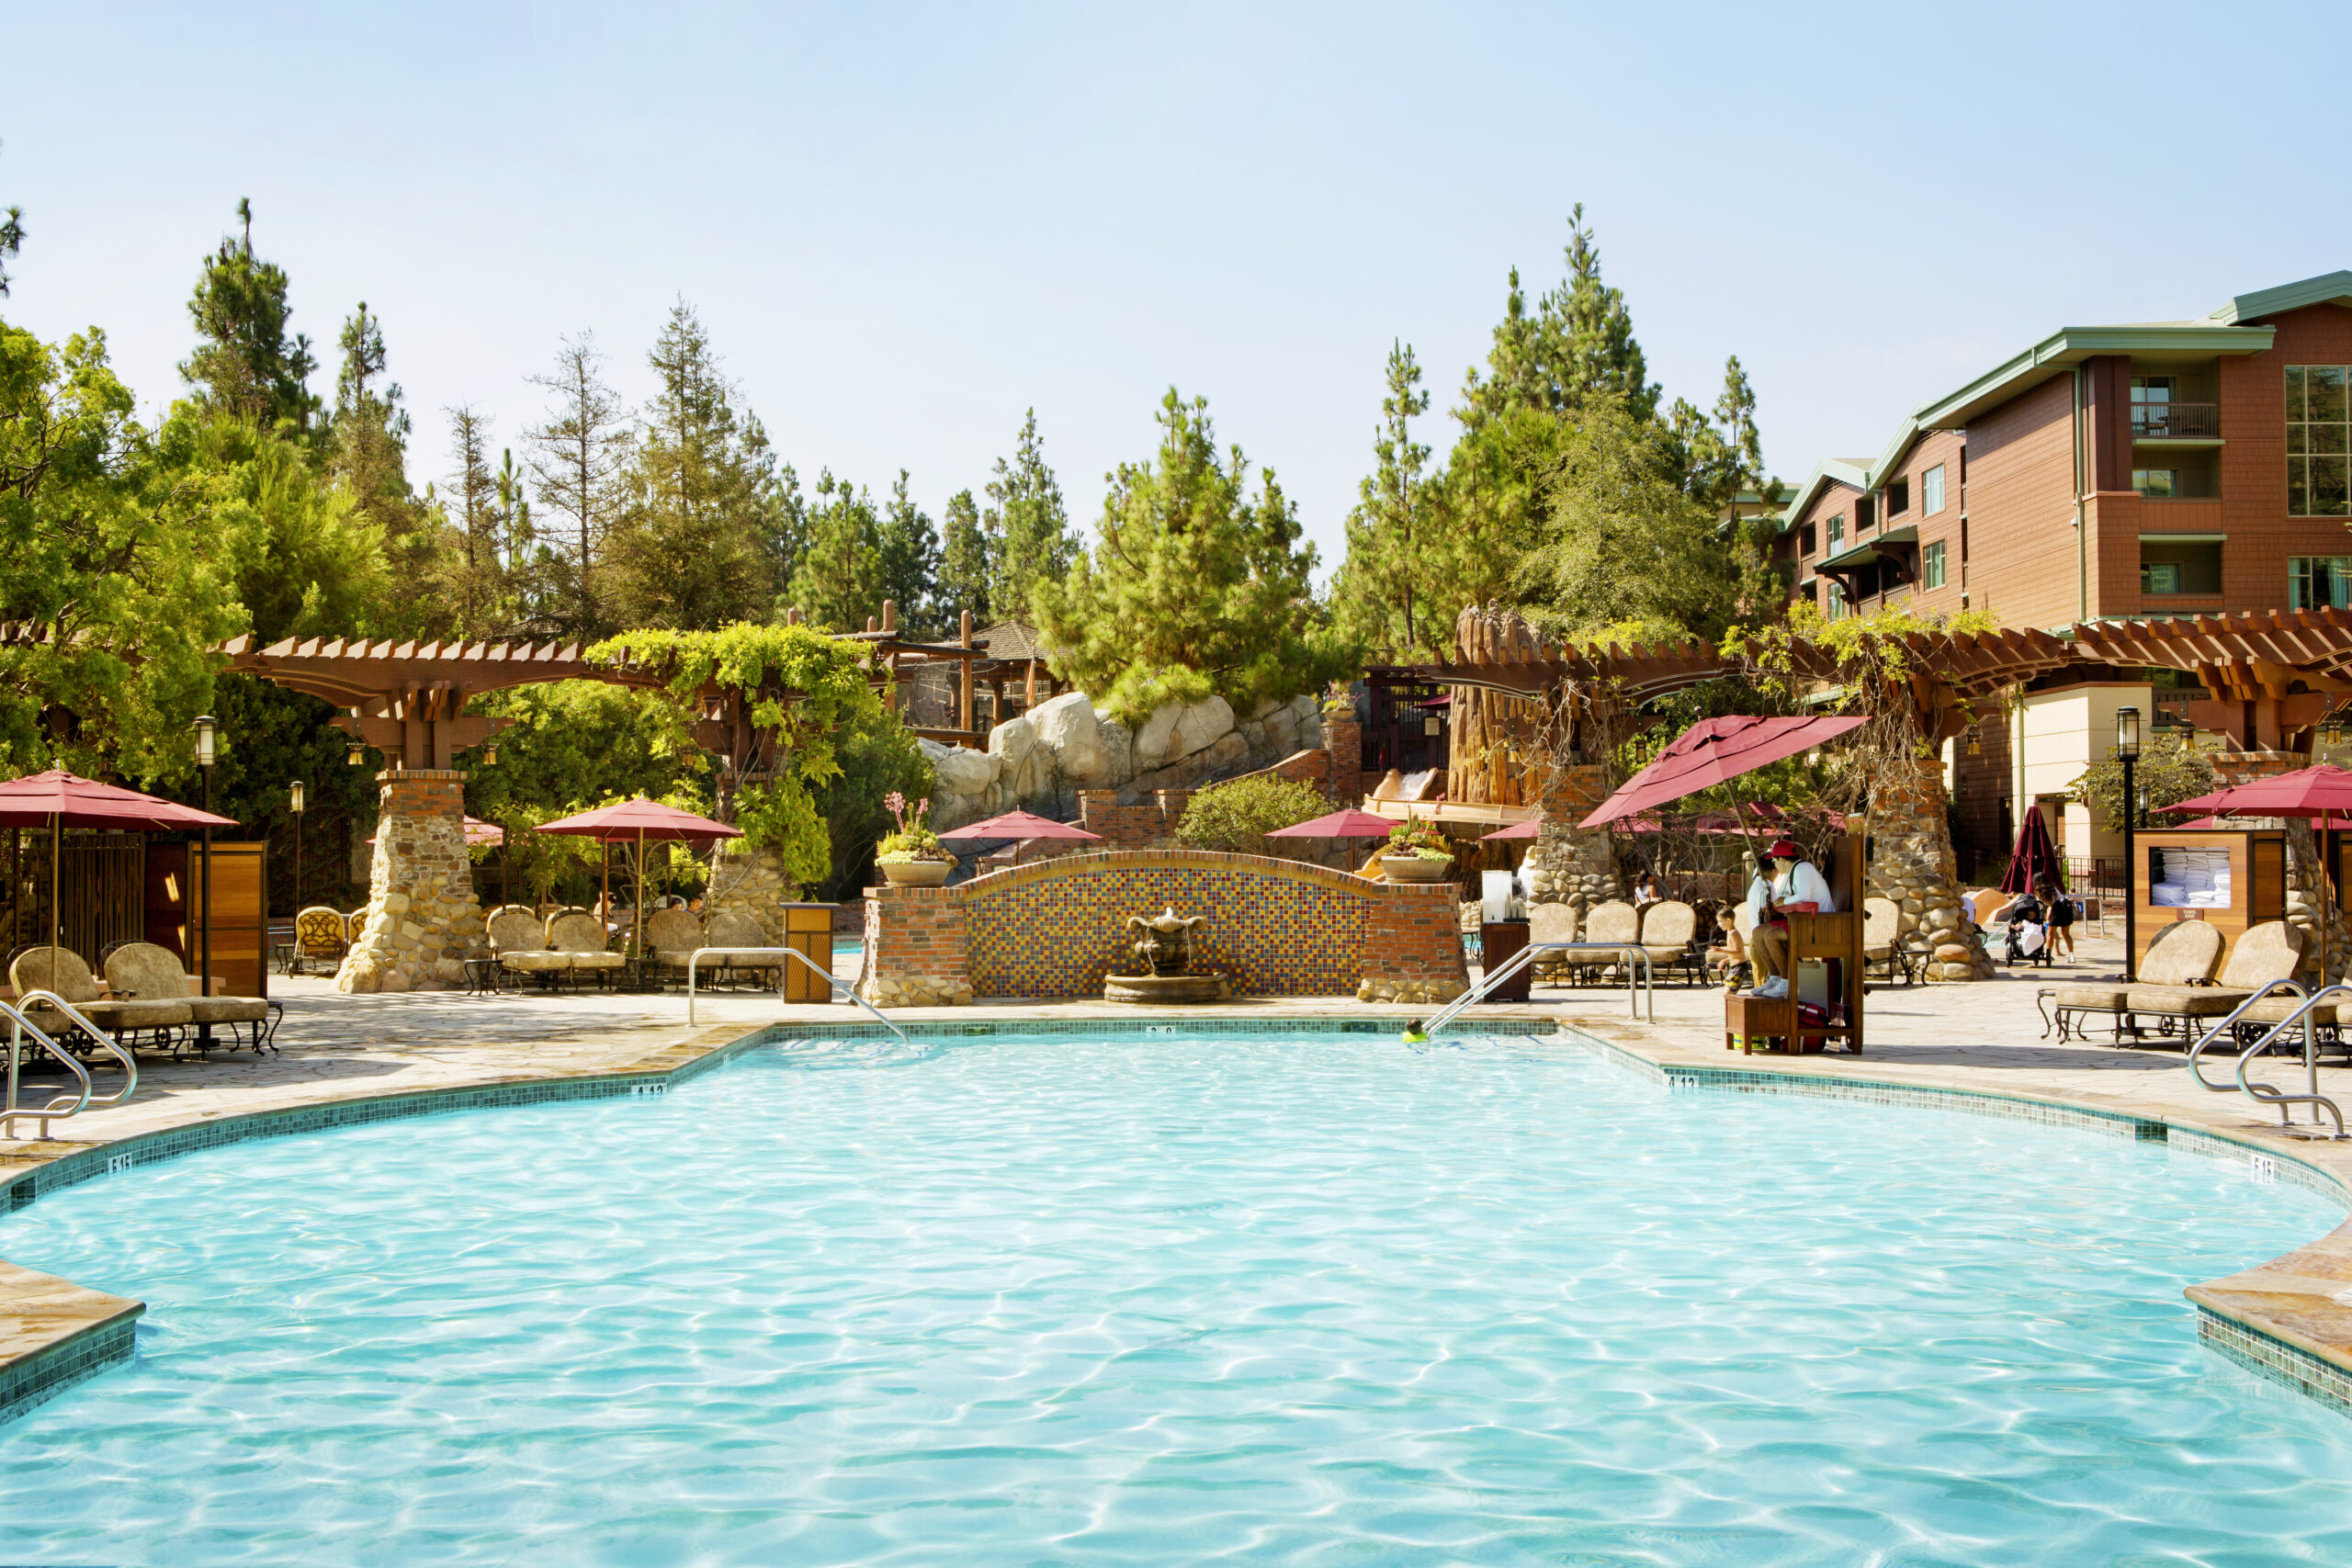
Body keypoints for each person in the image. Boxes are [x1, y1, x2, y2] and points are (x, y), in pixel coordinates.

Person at [1746, 839, 1836, 997]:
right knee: (1759, 932)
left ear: (1782, 859)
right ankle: (1774, 978)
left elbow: (1803, 896)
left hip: (1820, 923)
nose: (1775, 865)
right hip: (1803, 920)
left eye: (1775, 860)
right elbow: (1783, 896)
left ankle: (1786, 982)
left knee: (1772, 936)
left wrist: (1784, 901)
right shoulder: (1791, 872)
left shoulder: (1803, 869)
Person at [1705, 907, 1747, 986]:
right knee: (1727, 994)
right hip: (1735, 968)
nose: (1718, 924)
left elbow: (1739, 952)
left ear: (1728, 920)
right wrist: (1724, 960)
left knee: (1727, 994)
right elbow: (1736, 955)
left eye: (1720, 921)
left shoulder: (1734, 933)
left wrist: (1721, 950)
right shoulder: (1729, 932)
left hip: (1739, 969)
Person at [2041, 876, 2077, 960]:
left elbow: (2050, 905)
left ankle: (2048, 954)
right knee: (2066, 934)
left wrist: (2048, 917)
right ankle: (2071, 955)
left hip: (2057, 909)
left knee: (2050, 932)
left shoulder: (2043, 890)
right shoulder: (2053, 887)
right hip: (2066, 907)